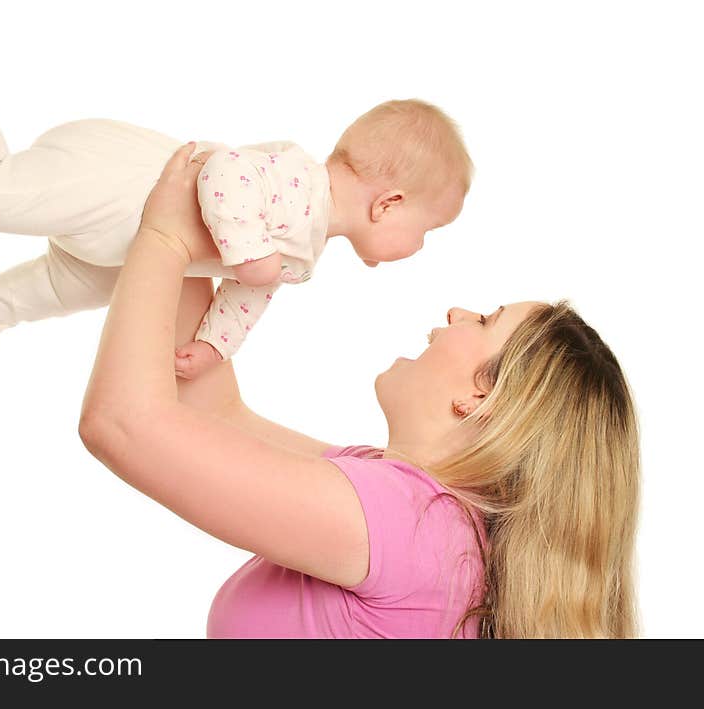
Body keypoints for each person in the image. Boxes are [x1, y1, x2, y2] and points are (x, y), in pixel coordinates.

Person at [78, 144, 641, 638]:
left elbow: (124, 425)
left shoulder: (412, 521)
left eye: (485, 321)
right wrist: (210, 214)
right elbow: (213, 411)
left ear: (481, 398)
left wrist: (164, 236)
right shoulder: (430, 520)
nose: (457, 312)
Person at [0, 54, 471, 375]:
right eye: (425, 230)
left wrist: (217, 344)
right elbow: (224, 173)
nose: (419, 247)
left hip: (127, 237)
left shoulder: (307, 245)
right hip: (123, 184)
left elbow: (248, 294)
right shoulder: (299, 179)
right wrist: (249, 254)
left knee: (74, 286)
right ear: (388, 203)